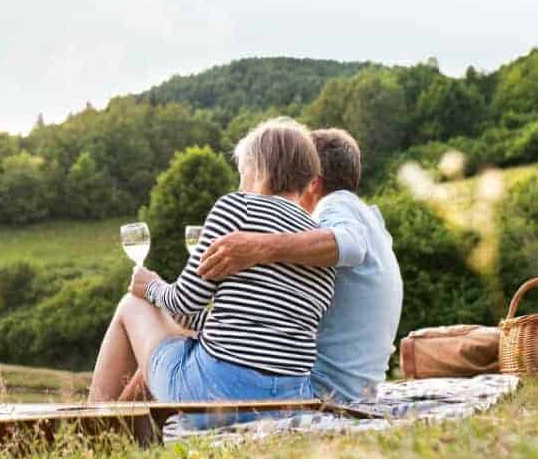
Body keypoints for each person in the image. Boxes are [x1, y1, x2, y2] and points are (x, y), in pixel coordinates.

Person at [88, 118, 335, 408]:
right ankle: (125, 432)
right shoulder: (318, 240)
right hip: (289, 400)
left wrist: (151, 287)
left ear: (257, 169)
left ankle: (89, 425)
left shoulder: (236, 207)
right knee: (180, 336)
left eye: (242, 172)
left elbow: (183, 302)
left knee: (131, 305)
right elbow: (259, 326)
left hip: (215, 393)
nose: (240, 182)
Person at [197, 128, 403, 403]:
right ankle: (125, 424)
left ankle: (126, 426)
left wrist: (258, 247)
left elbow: (351, 245)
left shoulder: (334, 207)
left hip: (323, 390)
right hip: (354, 389)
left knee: (175, 333)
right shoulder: (366, 217)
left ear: (314, 182)